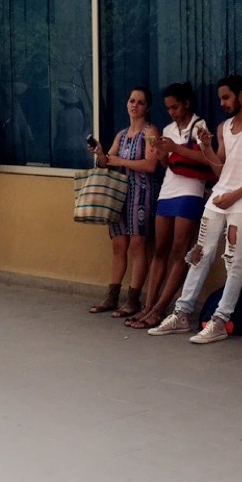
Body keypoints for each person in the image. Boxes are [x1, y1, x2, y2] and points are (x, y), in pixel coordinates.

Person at [149, 75, 242, 344]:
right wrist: (206, 147)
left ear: (241, 95)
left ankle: (220, 320)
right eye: (220, 98)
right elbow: (220, 169)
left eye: (226, 97)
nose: (222, 103)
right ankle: (182, 313)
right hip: (218, 198)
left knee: (234, 259)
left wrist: (234, 196)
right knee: (199, 254)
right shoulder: (223, 127)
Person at [126, 82, 212, 330]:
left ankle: (160, 309)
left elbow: (208, 158)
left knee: (179, 251)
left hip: (191, 191)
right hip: (168, 190)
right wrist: (163, 154)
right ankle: (148, 306)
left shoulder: (199, 125)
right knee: (160, 250)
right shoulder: (167, 129)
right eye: (168, 108)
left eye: (175, 107)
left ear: (186, 103)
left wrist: (174, 148)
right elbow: (169, 165)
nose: (171, 112)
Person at [85, 86, 159, 315]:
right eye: (131, 101)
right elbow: (107, 161)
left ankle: (133, 299)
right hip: (119, 194)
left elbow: (151, 165)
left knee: (137, 244)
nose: (134, 105)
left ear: (147, 107)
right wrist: (100, 153)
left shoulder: (150, 131)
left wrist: (120, 161)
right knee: (118, 245)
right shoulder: (121, 134)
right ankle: (112, 296)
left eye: (140, 102)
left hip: (141, 193)